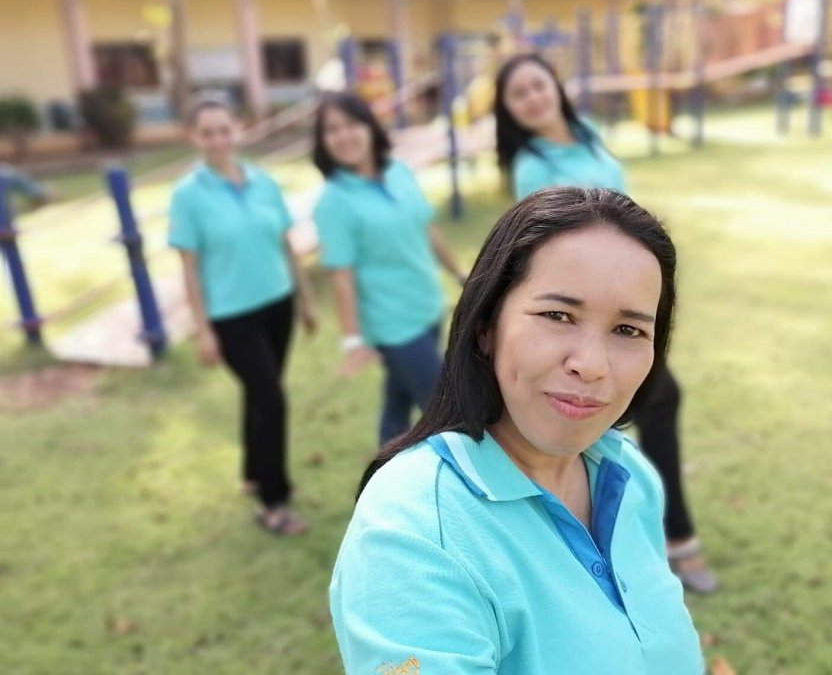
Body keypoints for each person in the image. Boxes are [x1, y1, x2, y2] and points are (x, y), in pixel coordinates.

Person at [330, 187, 704, 674]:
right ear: (486, 325)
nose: (592, 365)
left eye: (628, 330)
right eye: (557, 315)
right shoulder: (413, 533)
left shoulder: (628, 472)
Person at [493, 52, 719, 594]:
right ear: (508, 110)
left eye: (537, 85)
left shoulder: (588, 134)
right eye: (518, 94)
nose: (532, 99)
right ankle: (673, 537)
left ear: (556, 86)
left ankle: (649, 529)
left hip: (622, 298)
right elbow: (540, 249)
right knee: (637, 403)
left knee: (641, 403)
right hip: (582, 309)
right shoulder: (532, 166)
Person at [169, 95, 317, 536]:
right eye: (207, 132)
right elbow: (189, 269)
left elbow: (286, 243)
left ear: (237, 129)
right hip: (231, 317)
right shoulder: (187, 195)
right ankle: (274, 502)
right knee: (271, 399)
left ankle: (254, 471)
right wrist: (203, 331)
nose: (218, 139)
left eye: (224, 129)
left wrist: (306, 298)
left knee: (260, 393)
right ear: (193, 137)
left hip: (278, 304)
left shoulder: (263, 181)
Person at [311, 91, 466, 446]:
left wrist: (459, 274)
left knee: (398, 401)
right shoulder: (334, 201)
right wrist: (352, 340)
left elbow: (427, 229)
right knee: (446, 412)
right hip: (393, 324)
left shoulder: (398, 171)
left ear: (369, 126)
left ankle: (383, 467)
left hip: (427, 306)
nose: (344, 135)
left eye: (351, 124)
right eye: (332, 129)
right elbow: (341, 276)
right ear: (322, 141)